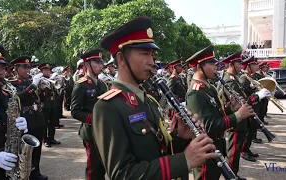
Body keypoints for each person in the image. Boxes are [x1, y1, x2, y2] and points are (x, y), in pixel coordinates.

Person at [92, 16, 219, 180]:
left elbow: (158, 149)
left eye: (152, 55)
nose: (152, 62)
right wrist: (184, 160)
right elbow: (122, 174)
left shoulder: (147, 99)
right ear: (122, 58)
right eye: (145, 54)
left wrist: (180, 136)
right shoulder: (107, 106)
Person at [186, 45, 255, 180]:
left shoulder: (208, 87)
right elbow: (208, 125)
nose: (216, 67)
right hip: (206, 149)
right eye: (212, 64)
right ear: (199, 67)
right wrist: (238, 115)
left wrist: (231, 108)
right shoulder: (195, 92)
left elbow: (216, 113)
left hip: (216, 145)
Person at [219, 51, 270, 180]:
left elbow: (243, 96)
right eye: (239, 63)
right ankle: (230, 176)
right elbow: (240, 103)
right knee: (233, 152)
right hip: (236, 120)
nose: (242, 66)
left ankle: (233, 174)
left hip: (241, 119)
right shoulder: (229, 81)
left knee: (235, 151)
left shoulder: (234, 79)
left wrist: (253, 91)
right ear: (231, 64)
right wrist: (256, 96)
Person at [0, 44, 28, 180]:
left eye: (3, 68)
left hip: (7, 162)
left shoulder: (7, 94)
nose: (0, 72)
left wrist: (21, 127)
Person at [71, 49, 108, 180]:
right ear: (87, 65)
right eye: (97, 63)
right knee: (94, 168)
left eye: (101, 62)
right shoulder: (80, 85)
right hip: (91, 132)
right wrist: (95, 119)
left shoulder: (102, 84)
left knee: (103, 165)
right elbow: (75, 111)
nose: (101, 66)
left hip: (104, 131)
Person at [10, 56, 48, 180]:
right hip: (25, 119)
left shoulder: (32, 81)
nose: (28, 69)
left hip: (38, 118)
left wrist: (44, 90)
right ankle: (25, 172)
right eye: (24, 67)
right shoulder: (12, 84)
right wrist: (33, 86)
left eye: (29, 67)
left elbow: (41, 99)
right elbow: (18, 98)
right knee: (26, 150)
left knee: (37, 149)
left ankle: (35, 172)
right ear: (16, 69)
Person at [38, 63, 61, 147]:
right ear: (41, 71)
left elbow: (58, 89)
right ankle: (45, 139)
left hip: (53, 103)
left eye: (48, 70)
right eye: (45, 70)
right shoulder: (39, 80)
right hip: (45, 103)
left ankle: (51, 138)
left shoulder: (52, 78)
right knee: (44, 122)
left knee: (53, 121)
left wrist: (57, 81)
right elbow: (39, 92)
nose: (48, 71)